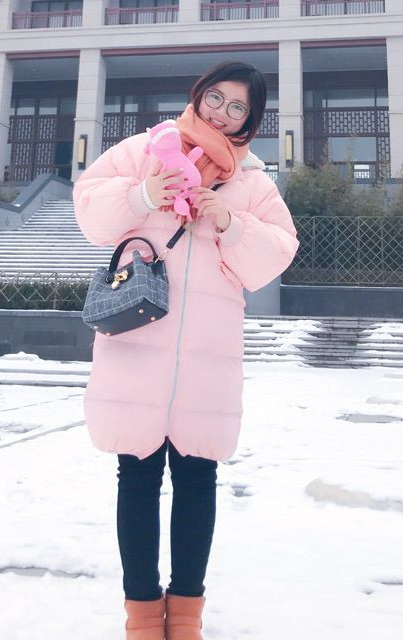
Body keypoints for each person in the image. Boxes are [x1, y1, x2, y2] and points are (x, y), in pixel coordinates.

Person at [73, 61, 299, 640]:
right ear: (199, 95)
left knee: (198, 478)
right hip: (138, 340)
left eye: (238, 107)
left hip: (207, 353)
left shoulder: (253, 181)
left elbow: (278, 251)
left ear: (251, 119)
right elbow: (90, 207)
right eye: (216, 97)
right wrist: (143, 194)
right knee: (136, 476)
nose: (222, 112)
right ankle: (143, 616)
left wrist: (231, 223)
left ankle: (187, 615)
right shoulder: (146, 148)